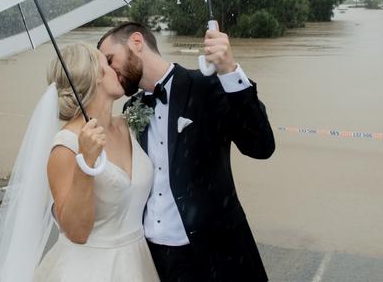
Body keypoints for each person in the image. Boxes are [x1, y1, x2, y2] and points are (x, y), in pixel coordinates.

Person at [98, 21, 275, 281]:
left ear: (137, 42)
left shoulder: (206, 86)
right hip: (157, 260)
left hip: (217, 256)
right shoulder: (131, 109)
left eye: (110, 59)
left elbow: (261, 146)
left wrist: (229, 70)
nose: (109, 71)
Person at [31, 43, 160, 281]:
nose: (115, 69)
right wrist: (86, 162)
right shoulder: (66, 146)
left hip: (138, 262)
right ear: (95, 76)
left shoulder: (127, 124)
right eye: (108, 63)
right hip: (89, 270)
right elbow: (77, 232)